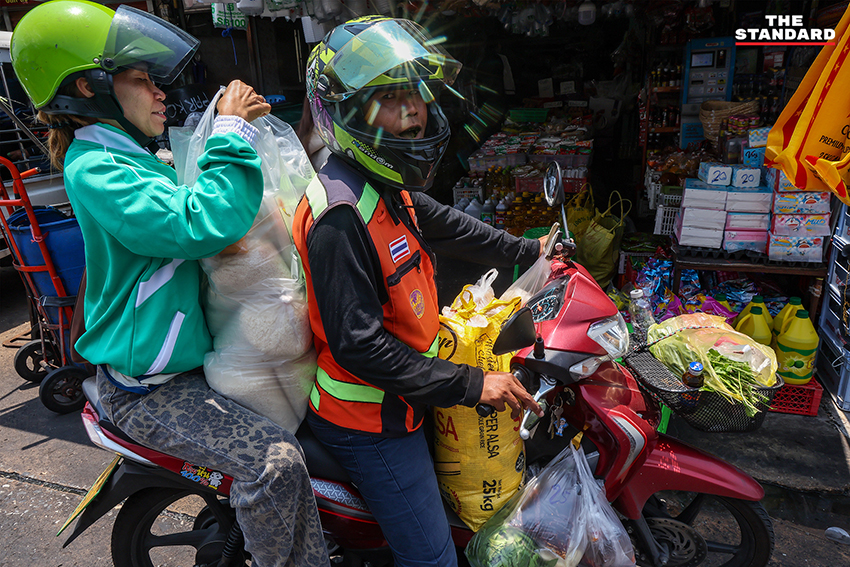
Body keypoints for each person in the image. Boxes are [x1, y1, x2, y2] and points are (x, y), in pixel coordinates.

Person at [10, 2, 330, 566]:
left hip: (192, 362)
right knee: (274, 462)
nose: (160, 93)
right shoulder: (97, 168)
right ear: (89, 87)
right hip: (150, 389)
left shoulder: (137, 159)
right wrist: (231, 130)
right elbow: (196, 224)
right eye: (142, 80)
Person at [292, 16, 545, 567]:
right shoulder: (340, 216)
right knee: (433, 559)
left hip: (409, 398)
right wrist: (473, 384)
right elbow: (359, 345)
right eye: (391, 98)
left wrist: (531, 249)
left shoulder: (385, 186)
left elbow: (449, 224)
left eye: (417, 95)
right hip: (370, 424)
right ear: (348, 113)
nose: (414, 112)